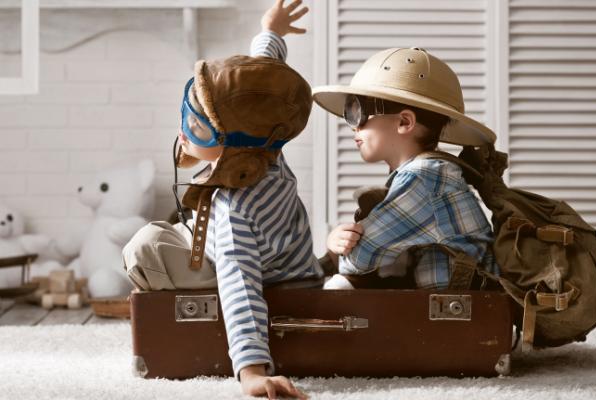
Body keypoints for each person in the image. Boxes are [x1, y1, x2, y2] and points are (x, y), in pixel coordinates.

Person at [123, 1, 320, 399]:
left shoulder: (235, 210)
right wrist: (273, 31)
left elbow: (239, 284)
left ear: (235, 149)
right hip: (284, 257)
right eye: (188, 114)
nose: (184, 129)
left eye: (198, 127)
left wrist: (251, 371)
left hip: (266, 275)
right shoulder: (267, 144)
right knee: (170, 230)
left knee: (144, 247)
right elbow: (259, 79)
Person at [313, 47, 500, 290]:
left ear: (404, 122)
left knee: (337, 289)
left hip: (465, 319)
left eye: (358, 112)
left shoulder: (424, 178)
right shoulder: (431, 172)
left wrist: (334, 245)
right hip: (451, 316)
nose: (353, 127)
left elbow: (359, 260)